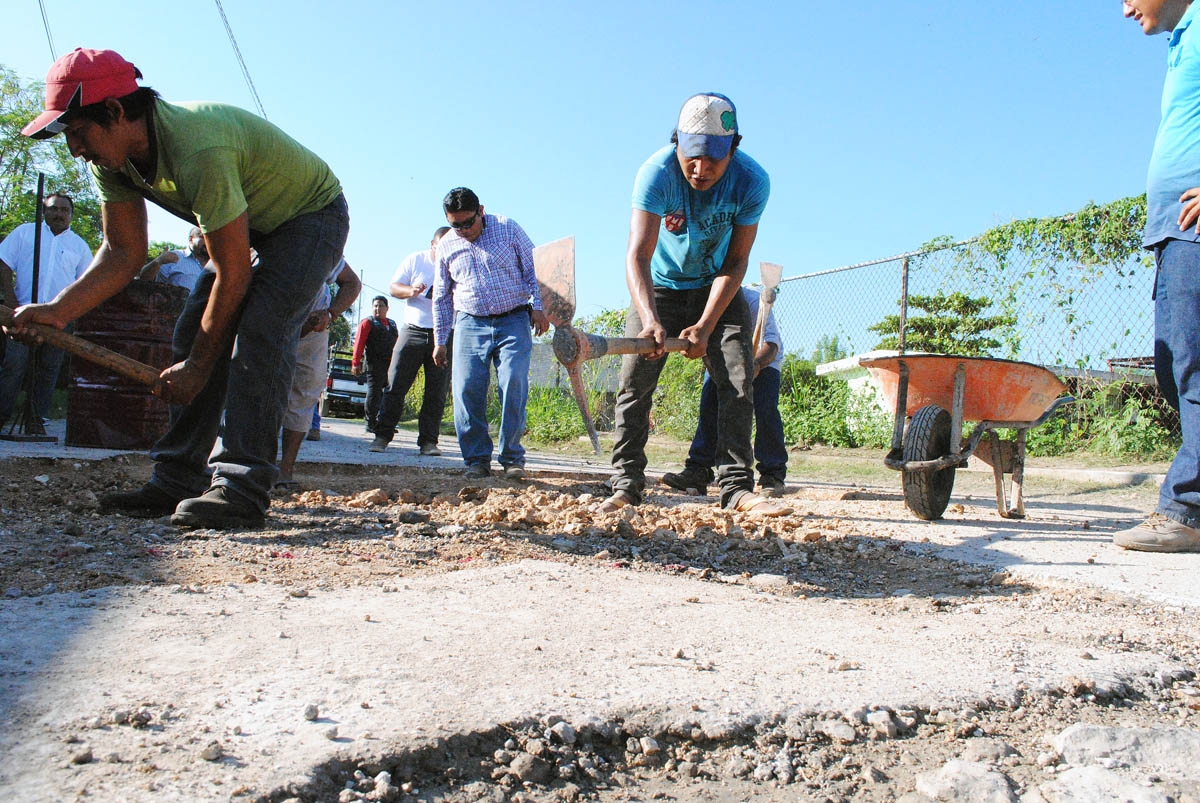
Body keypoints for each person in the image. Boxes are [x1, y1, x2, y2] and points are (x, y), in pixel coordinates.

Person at [7, 48, 349, 529]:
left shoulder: (197, 147)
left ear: (116, 111)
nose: (75, 149)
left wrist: (199, 368)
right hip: (254, 224)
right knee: (194, 330)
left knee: (260, 331)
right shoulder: (112, 162)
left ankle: (242, 489)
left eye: (78, 133)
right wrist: (58, 310)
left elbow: (233, 275)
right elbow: (123, 252)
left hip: (311, 216)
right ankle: (176, 480)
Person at [601, 93, 790, 517]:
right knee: (634, 386)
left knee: (739, 381)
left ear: (732, 150)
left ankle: (737, 487)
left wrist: (706, 325)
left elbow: (737, 261)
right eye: (691, 158)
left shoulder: (751, 181)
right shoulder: (655, 173)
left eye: (712, 161)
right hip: (660, 288)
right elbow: (637, 256)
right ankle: (626, 483)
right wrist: (650, 319)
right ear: (677, 145)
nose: (700, 170)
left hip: (716, 288)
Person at [1115, 0, 1200, 552]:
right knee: (1173, 367)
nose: (1126, 10)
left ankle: (1187, 509)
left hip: (1193, 228)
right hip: (1175, 230)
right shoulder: (1182, 40)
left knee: (1195, 363)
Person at [432, 187, 548, 479]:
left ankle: (512, 458)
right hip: (470, 323)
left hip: (513, 319)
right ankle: (476, 459)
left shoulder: (507, 228)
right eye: (455, 225)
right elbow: (441, 297)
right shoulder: (447, 245)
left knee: (513, 383)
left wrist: (540, 306)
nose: (462, 230)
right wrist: (440, 340)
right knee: (466, 388)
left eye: (467, 223)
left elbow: (536, 269)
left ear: (481, 211)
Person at [662, 285, 788, 497]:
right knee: (709, 408)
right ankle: (698, 470)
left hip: (763, 363)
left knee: (766, 412)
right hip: (722, 361)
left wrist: (754, 366)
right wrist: (715, 369)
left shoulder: (753, 300)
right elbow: (702, 345)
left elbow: (771, 344)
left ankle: (773, 474)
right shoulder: (703, 301)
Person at [0, 192, 93, 429]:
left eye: (64, 210)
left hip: (59, 318)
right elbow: (4, 262)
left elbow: (85, 284)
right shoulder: (25, 232)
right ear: (45, 211)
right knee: (14, 365)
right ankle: (2, 416)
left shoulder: (79, 246)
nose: (59, 214)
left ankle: (35, 419)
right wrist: (10, 299)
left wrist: (72, 313)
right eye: (53, 209)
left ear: (71, 215)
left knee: (48, 369)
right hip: (23, 312)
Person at [276, 258, 360, 488]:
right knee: (259, 390)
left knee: (304, 395)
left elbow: (353, 282)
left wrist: (330, 314)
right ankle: (250, 465)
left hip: (312, 329)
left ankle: (285, 470)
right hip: (267, 323)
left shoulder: (324, 247)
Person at [370, 226, 452, 455]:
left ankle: (428, 442)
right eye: (441, 248)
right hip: (414, 330)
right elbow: (393, 287)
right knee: (395, 384)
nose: (445, 253)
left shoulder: (458, 263)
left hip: (444, 333)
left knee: (436, 391)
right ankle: (382, 436)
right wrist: (411, 291)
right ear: (432, 245)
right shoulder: (416, 260)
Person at [350, 295, 398, 434]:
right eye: (375, 306)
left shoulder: (392, 324)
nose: (377, 309)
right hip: (374, 364)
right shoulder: (367, 322)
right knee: (374, 393)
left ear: (387, 308)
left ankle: (384, 423)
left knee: (389, 394)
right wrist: (355, 363)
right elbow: (359, 344)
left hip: (390, 365)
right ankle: (370, 423)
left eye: (380, 306)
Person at [138, 226, 210, 291]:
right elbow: (144, 279)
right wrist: (158, 261)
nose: (208, 241)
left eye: (210, 238)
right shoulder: (173, 257)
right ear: (191, 239)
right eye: (203, 237)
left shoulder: (217, 264)